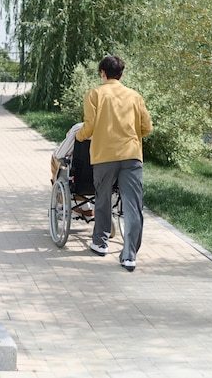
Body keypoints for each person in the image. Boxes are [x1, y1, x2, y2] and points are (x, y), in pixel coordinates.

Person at [76, 55, 152, 272]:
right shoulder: (135, 96)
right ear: (122, 74)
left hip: (104, 156)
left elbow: (89, 127)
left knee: (102, 199)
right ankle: (129, 256)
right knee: (133, 205)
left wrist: (80, 137)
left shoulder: (95, 94)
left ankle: (100, 243)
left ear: (102, 73)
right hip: (131, 156)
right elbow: (146, 126)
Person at [50, 123, 93, 217]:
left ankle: (61, 201)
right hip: (107, 176)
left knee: (55, 159)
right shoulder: (114, 128)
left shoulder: (79, 129)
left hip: (81, 177)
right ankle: (86, 207)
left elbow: (60, 154)